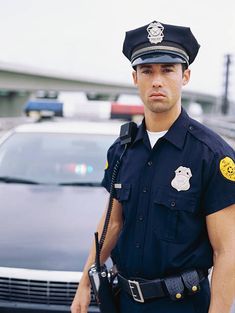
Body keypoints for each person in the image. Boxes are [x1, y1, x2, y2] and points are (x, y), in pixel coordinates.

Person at [71, 20, 235, 313]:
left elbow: (227, 250)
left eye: (167, 70)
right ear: (135, 78)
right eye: (147, 71)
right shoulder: (122, 149)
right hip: (123, 301)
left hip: (183, 305)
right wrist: (84, 282)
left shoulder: (212, 154)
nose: (157, 80)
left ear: (185, 76)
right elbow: (113, 222)